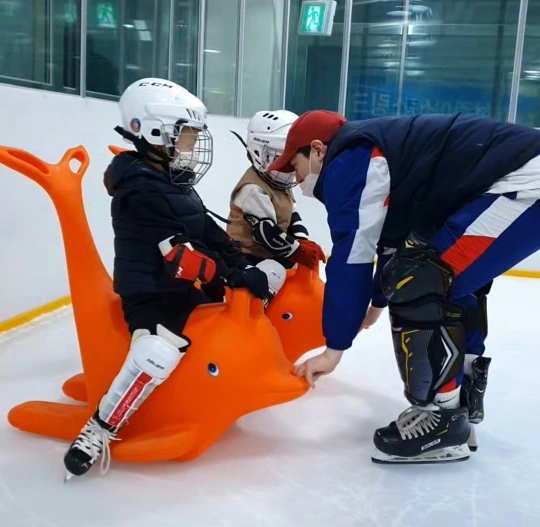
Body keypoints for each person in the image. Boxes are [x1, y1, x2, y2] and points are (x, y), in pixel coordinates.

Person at [267, 110, 540, 464]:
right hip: (517, 180)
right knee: (446, 282)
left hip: (525, 183)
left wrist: (334, 348)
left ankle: (443, 419)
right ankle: (460, 407)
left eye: (295, 164)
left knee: (421, 281)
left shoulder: (349, 160)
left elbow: (353, 254)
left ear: (318, 150)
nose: (296, 177)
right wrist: (377, 304)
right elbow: (394, 245)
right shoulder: (379, 149)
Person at [63, 78, 275, 480]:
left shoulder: (174, 183)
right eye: (187, 132)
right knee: (156, 353)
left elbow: (211, 235)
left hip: (179, 288)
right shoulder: (140, 190)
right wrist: (231, 275)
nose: (193, 142)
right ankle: (99, 429)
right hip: (150, 293)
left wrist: (244, 268)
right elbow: (182, 255)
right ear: (154, 131)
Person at [227, 110, 326, 293]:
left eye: (292, 157)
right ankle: (259, 305)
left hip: (272, 253)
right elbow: (266, 232)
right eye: (282, 157)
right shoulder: (252, 188)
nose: (290, 166)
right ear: (259, 153)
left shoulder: (279, 182)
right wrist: (299, 250)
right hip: (246, 257)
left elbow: (292, 215)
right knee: (274, 272)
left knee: (297, 268)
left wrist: (303, 241)